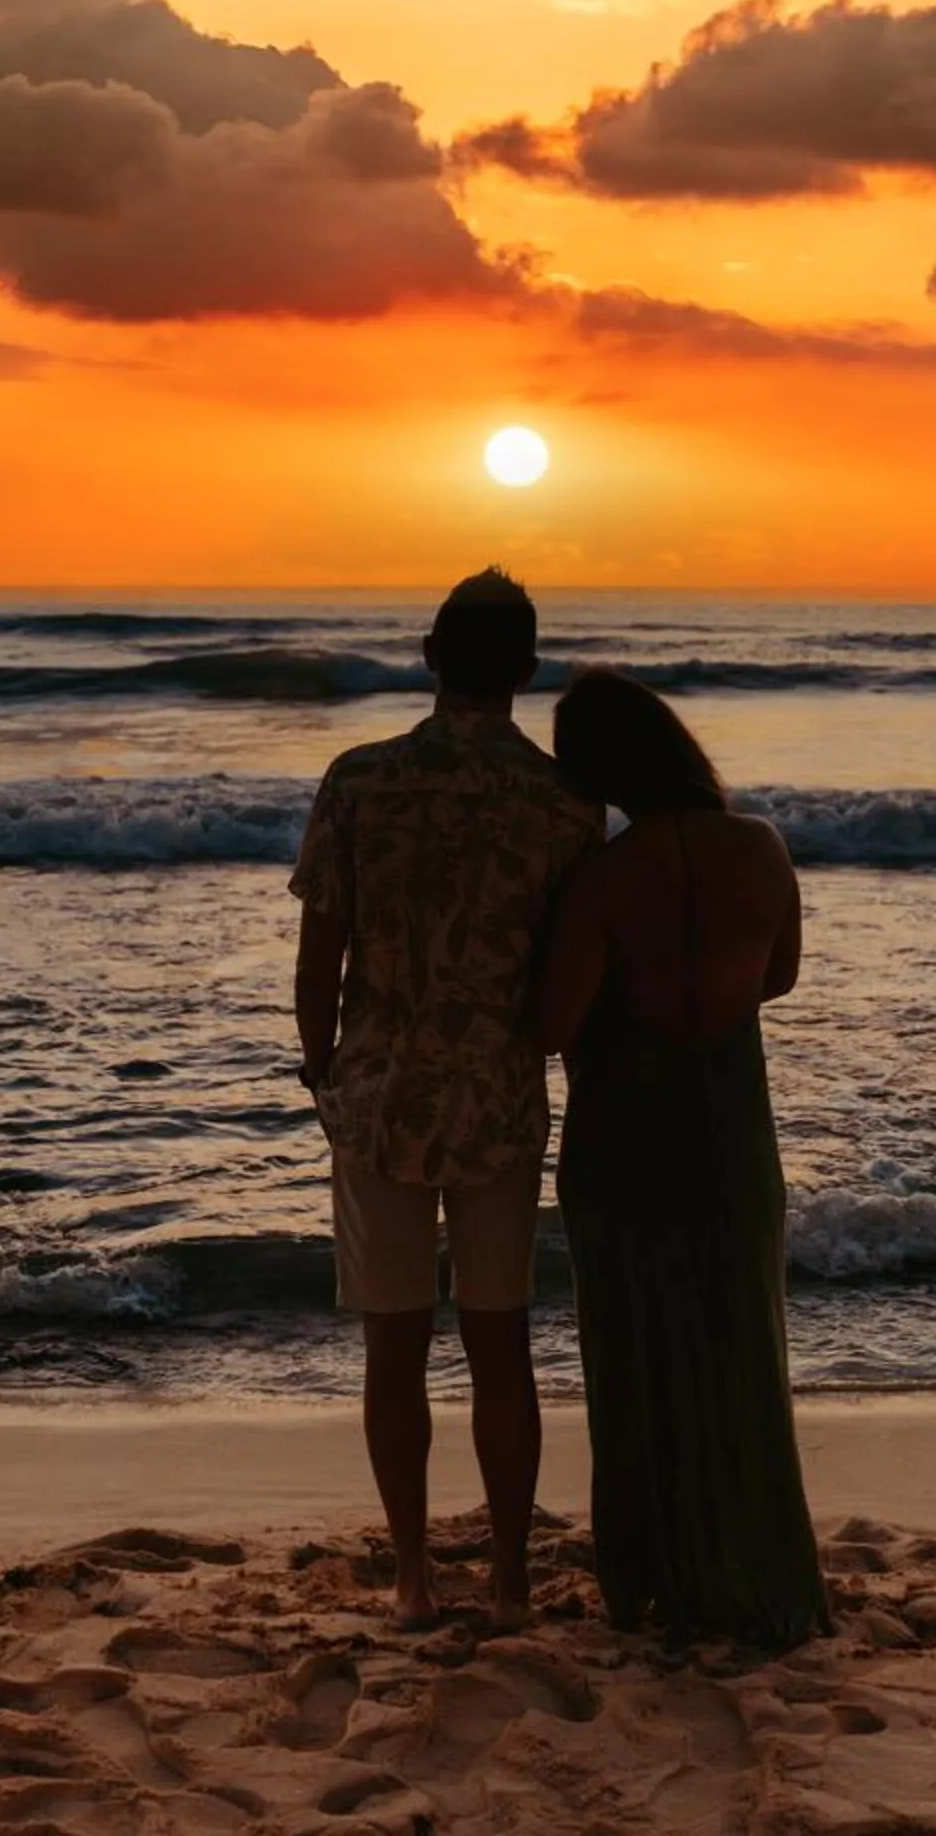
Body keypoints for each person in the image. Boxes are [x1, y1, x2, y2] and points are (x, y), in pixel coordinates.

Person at [291, 569, 603, 1627]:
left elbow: (320, 948)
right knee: (499, 1340)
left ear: (428, 655)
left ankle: (417, 1577)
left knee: (394, 1343)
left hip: (381, 1091)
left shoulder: (359, 780)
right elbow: (572, 973)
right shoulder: (563, 804)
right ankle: (512, 1580)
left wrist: (319, 1058)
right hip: (501, 1092)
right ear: (524, 667)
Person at [531, 668, 830, 1649]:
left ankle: (652, 1574)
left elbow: (553, 1023)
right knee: (740, 1345)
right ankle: (758, 1565)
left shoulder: (604, 879)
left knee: (636, 1352)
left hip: (625, 1136)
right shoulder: (760, 848)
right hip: (731, 1131)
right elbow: (777, 976)